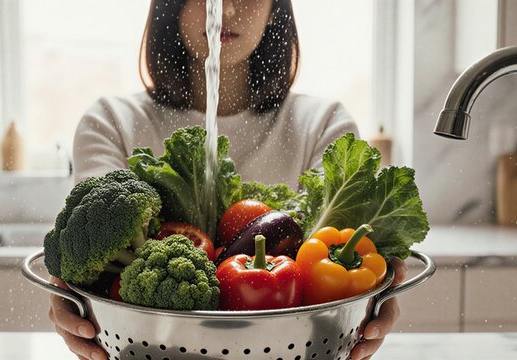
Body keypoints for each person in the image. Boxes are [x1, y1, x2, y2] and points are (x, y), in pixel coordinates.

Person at [48, 1, 406, 359]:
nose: (226, 10)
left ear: (275, 9)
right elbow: (90, 237)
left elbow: (346, 256)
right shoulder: (111, 121)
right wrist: (65, 284)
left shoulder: (324, 124)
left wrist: (379, 280)